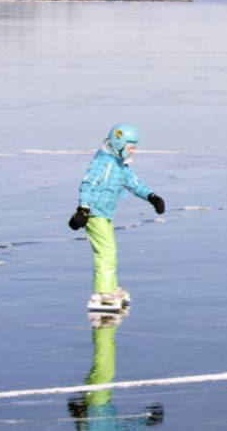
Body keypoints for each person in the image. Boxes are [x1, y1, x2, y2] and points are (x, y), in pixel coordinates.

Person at [69, 123, 166, 313]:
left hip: (104, 214)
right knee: (105, 251)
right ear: (118, 143)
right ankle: (102, 292)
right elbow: (88, 184)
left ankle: (110, 287)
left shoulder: (119, 165)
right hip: (93, 214)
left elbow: (133, 183)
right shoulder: (103, 163)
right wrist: (83, 209)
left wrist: (151, 197)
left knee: (110, 251)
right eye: (130, 148)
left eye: (134, 148)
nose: (132, 152)